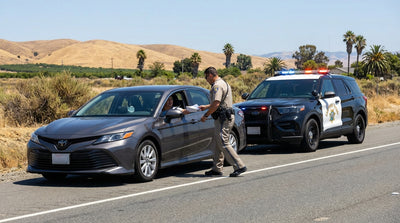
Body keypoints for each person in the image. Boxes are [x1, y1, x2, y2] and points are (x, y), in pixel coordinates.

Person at [200, 66, 247, 177]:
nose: (207, 80)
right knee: (218, 142)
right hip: (224, 116)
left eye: (207, 77)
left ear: (210, 75)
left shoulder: (217, 86)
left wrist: (206, 115)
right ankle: (217, 168)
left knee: (223, 141)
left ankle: (239, 165)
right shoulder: (223, 83)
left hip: (223, 118)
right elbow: (219, 102)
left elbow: (216, 104)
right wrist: (206, 107)